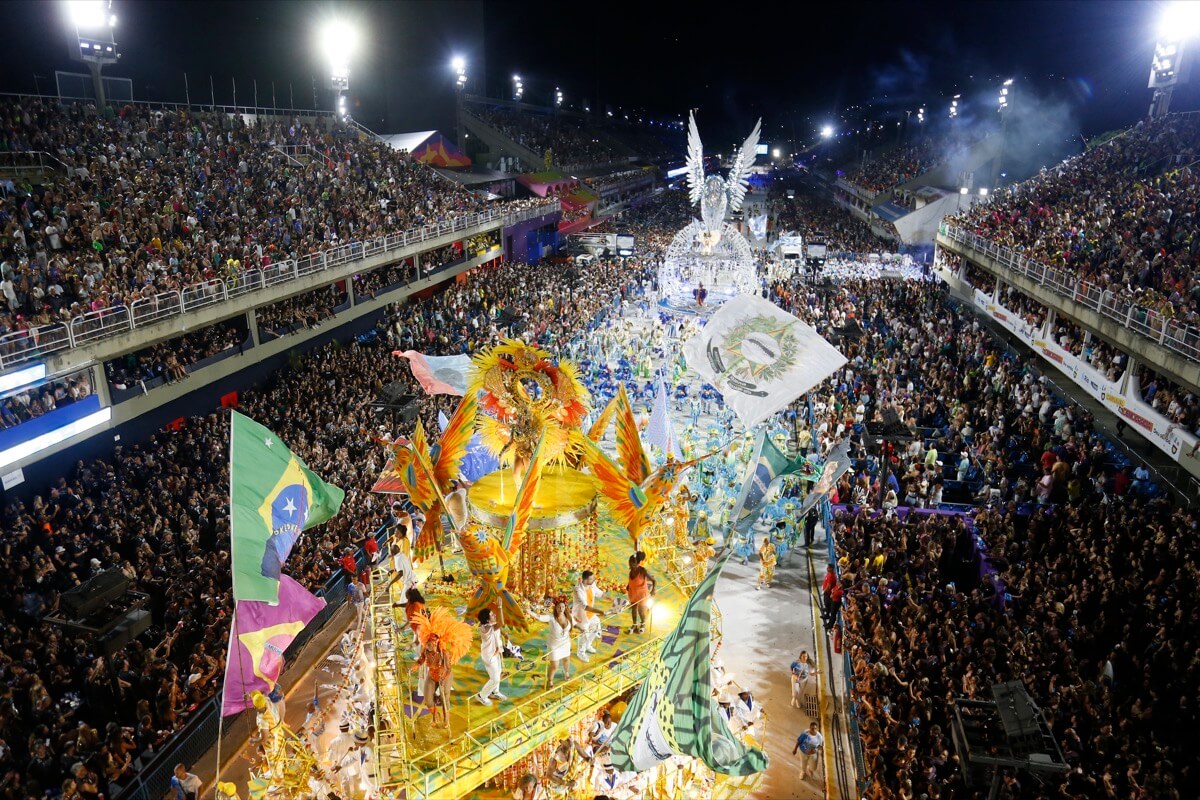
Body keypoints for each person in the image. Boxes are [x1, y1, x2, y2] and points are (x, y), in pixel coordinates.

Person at [531, 596, 574, 688]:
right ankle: (550, 680)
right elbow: (540, 617)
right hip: (554, 645)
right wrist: (529, 612)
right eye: (559, 607)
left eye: (562, 607)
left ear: (565, 607)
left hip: (565, 643)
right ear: (555, 607)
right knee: (555, 665)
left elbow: (575, 624)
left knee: (566, 660)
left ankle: (566, 672)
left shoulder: (568, 616)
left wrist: (582, 629)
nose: (561, 609)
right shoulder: (551, 617)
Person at [474, 608, 506, 706]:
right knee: (495, 678)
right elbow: (501, 623)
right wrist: (500, 607)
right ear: (487, 620)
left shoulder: (490, 625)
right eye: (492, 615)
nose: (495, 615)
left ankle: (494, 692)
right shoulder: (486, 629)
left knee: (498, 672)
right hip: (489, 656)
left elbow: (498, 627)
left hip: (495, 653)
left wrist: (504, 634)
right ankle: (482, 696)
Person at [572, 570, 605, 661]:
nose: (594, 579)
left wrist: (612, 599)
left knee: (596, 626)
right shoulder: (578, 589)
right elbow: (585, 607)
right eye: (592, 579)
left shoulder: (591, 585)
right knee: (584, 633)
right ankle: (581, 652)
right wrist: (600, 611)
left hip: (590, 614)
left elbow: (600, 593)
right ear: (586, 580)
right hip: (581, 615)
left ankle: (588, 645)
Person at [625, 552, 652, 634]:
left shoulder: (642, 571)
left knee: (641, 611)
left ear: (638, 564)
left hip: (641, 594)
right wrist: (628, 585)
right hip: (633, 592)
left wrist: (653, 591)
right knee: (633, 608)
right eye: (630, 564)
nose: (631, 566)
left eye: (633, 565)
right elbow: (631, 580)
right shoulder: (631, 571)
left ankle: (643, 623)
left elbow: (653, 580)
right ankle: (634, 624)